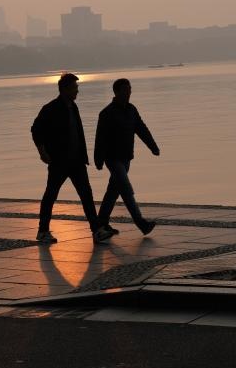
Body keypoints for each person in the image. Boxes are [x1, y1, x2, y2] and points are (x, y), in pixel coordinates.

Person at [31, 73, 113, 244]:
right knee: (51, 195)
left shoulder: (73, 107)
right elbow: (36, 129)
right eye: (75, 88)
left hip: (76, 161)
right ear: (65, 89)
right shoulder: (51, 108)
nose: (77, 91)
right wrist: (42, 152)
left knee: (86, 195)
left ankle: (96, 230)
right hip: (59, 161)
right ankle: (43, 231)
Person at [94, 78, 159, 237]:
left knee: (113, 191)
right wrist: (98, 159)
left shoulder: (131, 110)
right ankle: (142, 224)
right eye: (125, 90)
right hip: (112, 159)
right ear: (117, 92)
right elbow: (100, 138)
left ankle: (102, 222)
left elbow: (141, 129)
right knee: (126, 190)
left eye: (130, 89)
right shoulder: (107, 113)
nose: (129, 92)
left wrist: (153, 146)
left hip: (126, 158)